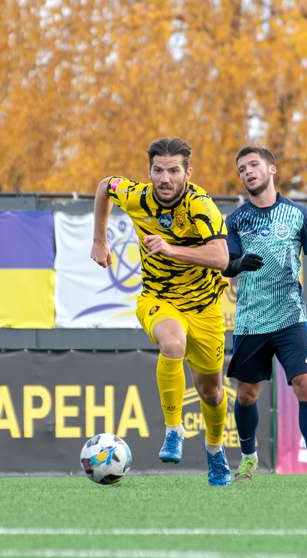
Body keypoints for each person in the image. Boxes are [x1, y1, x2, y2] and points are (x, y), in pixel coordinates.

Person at [91, 137, 233, 486]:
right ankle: (174, 430)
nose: (165, 178)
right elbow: (105, 186)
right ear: (149, 171)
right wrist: (99, 240)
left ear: (188, 173)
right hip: (158, 298)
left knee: (212, 391)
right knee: (172, 343)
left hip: (204, 306)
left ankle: (215, 452)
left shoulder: (201, 205)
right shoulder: (138, 196)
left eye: (173, 170)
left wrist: (171, 250)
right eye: (158, 170)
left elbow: (221, 258)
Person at [224, 146, 307, 483]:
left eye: (254, 165)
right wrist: (238, 264)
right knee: (246, 394)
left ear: (271, 170)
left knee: (306, 385)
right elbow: (228, 264)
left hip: (291, 317)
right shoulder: (235, 220)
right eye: (242, 169)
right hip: (250, 320)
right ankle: (249, 458)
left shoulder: (298, 214)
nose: (248, 172)